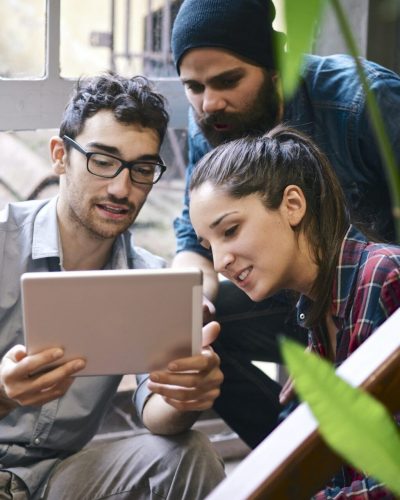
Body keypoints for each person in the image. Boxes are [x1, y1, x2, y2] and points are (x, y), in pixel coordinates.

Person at [170, 0, 400, 448]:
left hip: (384, 299)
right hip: (311, 305)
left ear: (275, 66)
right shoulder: (212, 123)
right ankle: (293, 462)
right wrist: (184, 308)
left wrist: (347, 364)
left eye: (228, 80)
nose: (209, 102)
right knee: (196, 334)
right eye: (192, 87)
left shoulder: (362, 102)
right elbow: (194, 243)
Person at [0, 73, 225, 500]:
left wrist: (185, 396)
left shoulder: (151, 281)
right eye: (102, 161)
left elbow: (157, 415)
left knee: (189, 453)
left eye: (142, 169)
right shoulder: (4, 241)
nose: (122, 189)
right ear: (60, 157)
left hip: (54, 481)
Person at [189, 124, 400, 499]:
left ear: (292, 205)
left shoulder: (383, 278)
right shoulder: (317, 311)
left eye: (231, 230)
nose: (219, 261)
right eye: (208, 245)